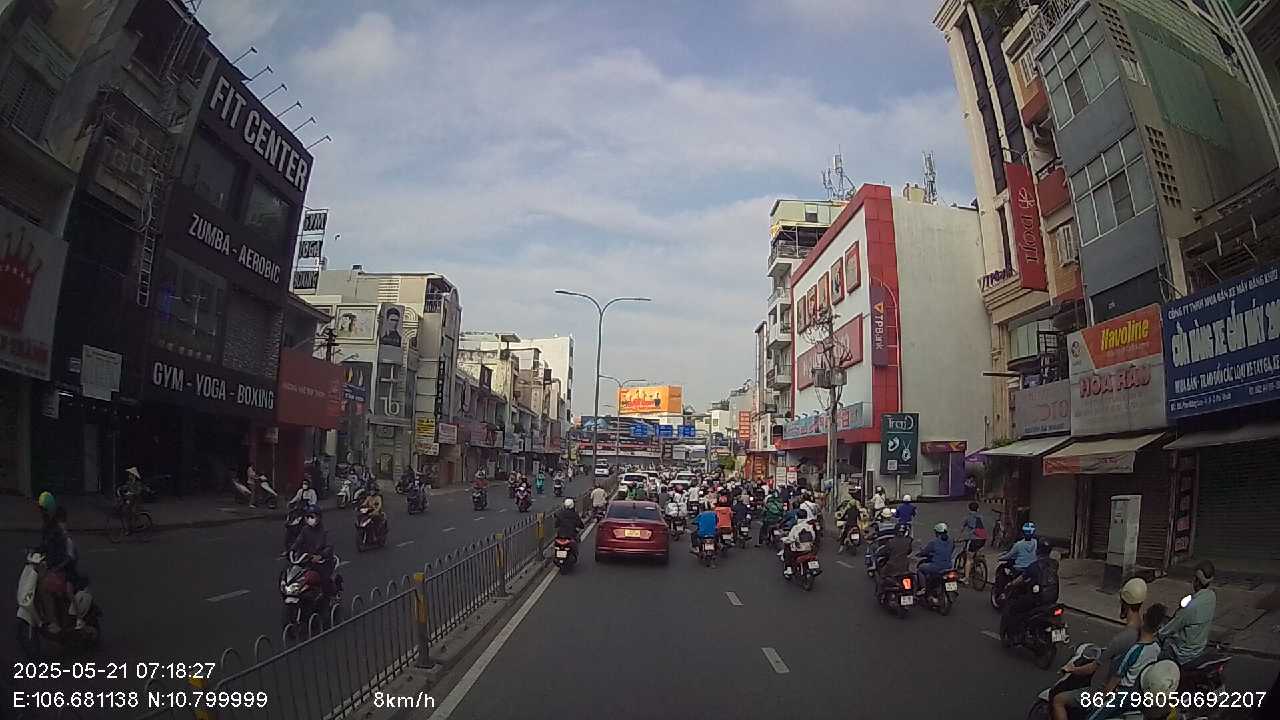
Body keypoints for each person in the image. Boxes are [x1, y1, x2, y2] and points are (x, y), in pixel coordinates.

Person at [1051, 578, 1148, 720]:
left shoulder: (1121, 639)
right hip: (1127, 692)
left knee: (1058, 700)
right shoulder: (1143, 631)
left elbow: (1091, 668)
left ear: (1125, 604)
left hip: (1105, 693)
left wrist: (1072, 669)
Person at [1086, 604, 1169, 720]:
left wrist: (1098, 700)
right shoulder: (1157, 648)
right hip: (1138, 695)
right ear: (1159, 627)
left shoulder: (1134, 651)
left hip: (1121, 694)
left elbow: (1115, 680)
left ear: (1144, 617)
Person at [1157, 560, 1217, 665]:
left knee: (1156, 658)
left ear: (1197, 581)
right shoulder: (1212, 596)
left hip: (1182, 654)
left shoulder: (1191, 607)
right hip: (1199, 648)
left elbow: (1171, 627)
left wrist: (1158, 634)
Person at [1000, 539, 1059, 640]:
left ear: (1037, 551)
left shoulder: (1034, 566)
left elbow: (1021, 579)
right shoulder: (1054, 564)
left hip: (1038, 599)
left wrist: (1011, 584)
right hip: (1053, 597)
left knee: (1014, 607)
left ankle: (1016, 634)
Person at [957, 501, 988, 585]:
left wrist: (959, 538)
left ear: (969, 509)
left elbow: (962, 529)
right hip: (983, 538)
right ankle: (978, 563)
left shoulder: (967, 517)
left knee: (969, 559)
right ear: (978, 509)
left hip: (974, 539)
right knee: (976, 552)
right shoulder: (981, 517)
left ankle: (966, 579)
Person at [917, 523, 955, 589]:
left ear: (937, 532)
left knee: (920, 569)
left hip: (936, 566)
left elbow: (925, 552)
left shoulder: (933, 542)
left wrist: (920, 554)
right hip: (949, 566)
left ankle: (923, 588)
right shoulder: (951, 541)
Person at [781, 508, 816, 576]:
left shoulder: (796, 527)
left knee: (787, 548)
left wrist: (784, 539)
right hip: (809, 548)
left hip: (798, 550)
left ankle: (788, 568)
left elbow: (791, 539)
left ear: (796, 517)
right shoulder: (810, 526)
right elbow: (813, 537)